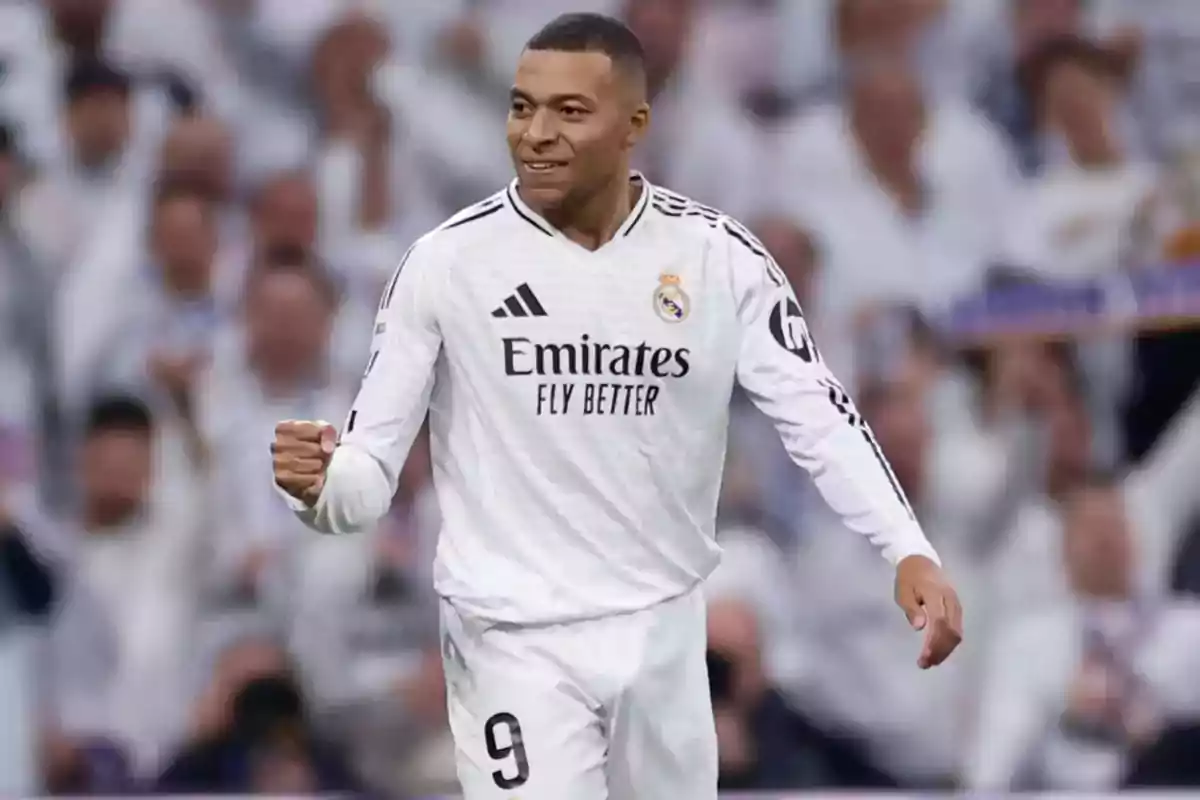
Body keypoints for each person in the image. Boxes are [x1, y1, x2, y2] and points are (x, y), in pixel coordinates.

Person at [271, 12, 963, 799]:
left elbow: (813, 415)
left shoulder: (709, 271)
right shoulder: (451, 282)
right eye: (527, 110)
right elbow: (364, 504)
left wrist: (903, 541)